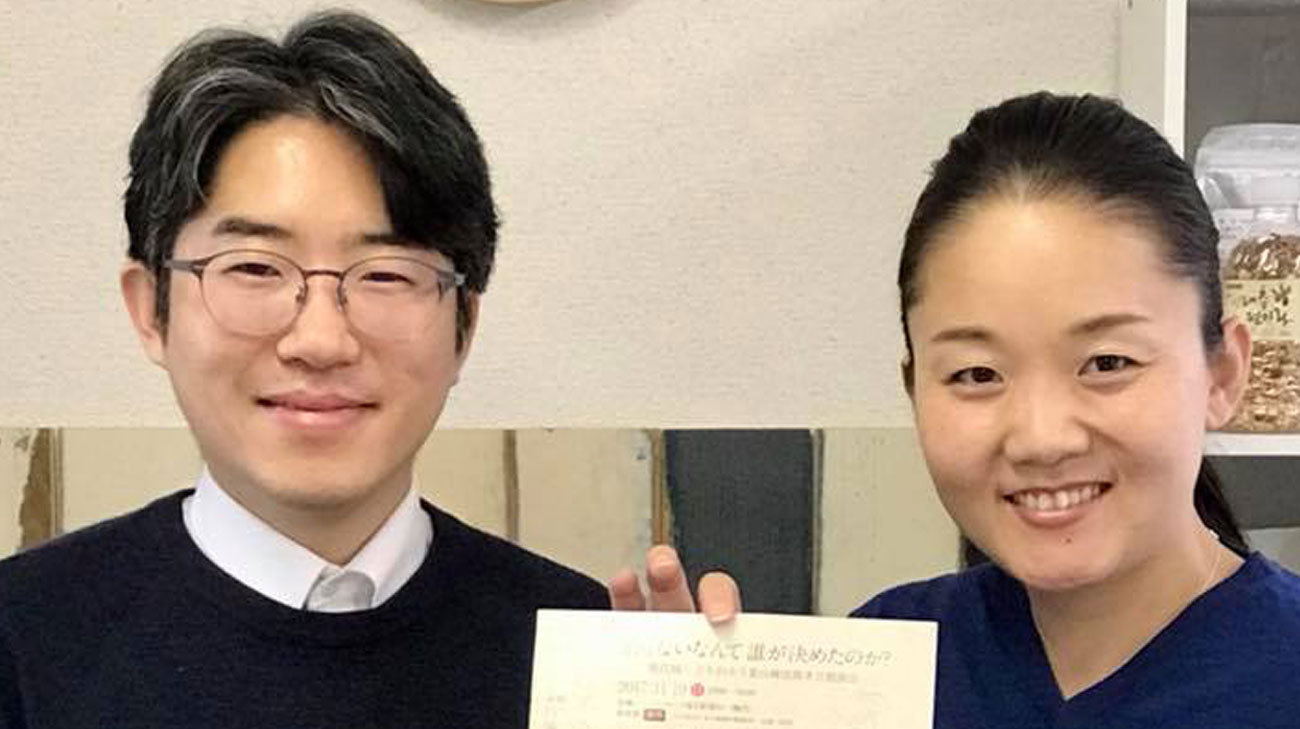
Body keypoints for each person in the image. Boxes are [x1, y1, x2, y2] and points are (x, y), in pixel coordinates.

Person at [615, 92, 1300, 727]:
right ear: (914, 388)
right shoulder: (880, 670)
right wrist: (693, 700)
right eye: (976, 374)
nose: (1041, 437)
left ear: (1223, 373)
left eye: (1107, 363)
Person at [0, 12, 605, 728]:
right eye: (255, 268)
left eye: (385, 274)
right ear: (149, 310)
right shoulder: (21, 637)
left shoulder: (580, 645)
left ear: (463, 325)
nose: (320, 340)